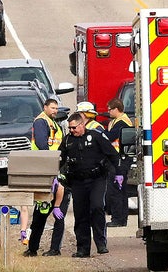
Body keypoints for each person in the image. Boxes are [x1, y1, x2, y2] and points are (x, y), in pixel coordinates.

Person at [59, 113, 120, 258]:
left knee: (97, 207)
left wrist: (119, 173)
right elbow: (59, 159)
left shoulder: (96, 136)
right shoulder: (67, 140)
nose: (72, 130)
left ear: (82, 125)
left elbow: (113, 155)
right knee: (81, 214)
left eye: (74, 127)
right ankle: (83, 249)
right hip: (77, 181)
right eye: (70, 128)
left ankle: (101, 243)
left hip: (96, 179)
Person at [23, 98, 71, 257]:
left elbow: (60, 147)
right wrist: (51, 168)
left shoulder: (53, 122)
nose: (55, 111)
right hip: (45, 171)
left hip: (56, 170)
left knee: (58, 214)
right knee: (40, 214)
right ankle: (32, 248)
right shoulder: (41, 122)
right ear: (45, 107)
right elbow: (43, 145)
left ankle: (54, 249)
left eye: (57, 108)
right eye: (52, 108)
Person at [105, 98, 134, 227]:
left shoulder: (121, 122)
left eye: (110, 109)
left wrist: (102, 133)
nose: (108, 112)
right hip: (122, 159)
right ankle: (121, 219)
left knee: (116, 190)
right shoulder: (120, 120)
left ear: (116, 109)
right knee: (121, 190)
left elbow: (110, 137)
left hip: (119, 161)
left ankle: (117, 219)